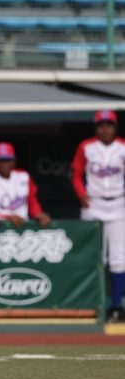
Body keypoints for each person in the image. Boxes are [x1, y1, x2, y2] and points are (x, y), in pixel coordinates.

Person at [71, 110, 125, 322]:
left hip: (118, 203)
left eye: (108, 125)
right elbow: (75, 174)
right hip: (93, 203)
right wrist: (81, 195)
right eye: (101, 125)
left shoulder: (122, 146)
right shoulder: (86, 146)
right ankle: (95, 304)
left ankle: (116, 307)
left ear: (115, 126)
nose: (105, 129)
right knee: (94, 257)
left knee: (119, 258)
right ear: (96, 127)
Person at [0, 142, 51, 231]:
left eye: (8, 160)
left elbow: (32, 202)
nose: (4, 164)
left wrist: (38, 213)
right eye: (0, 161)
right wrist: (6, 217)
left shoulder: (24, 176)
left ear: (14, 162)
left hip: (23, 227)